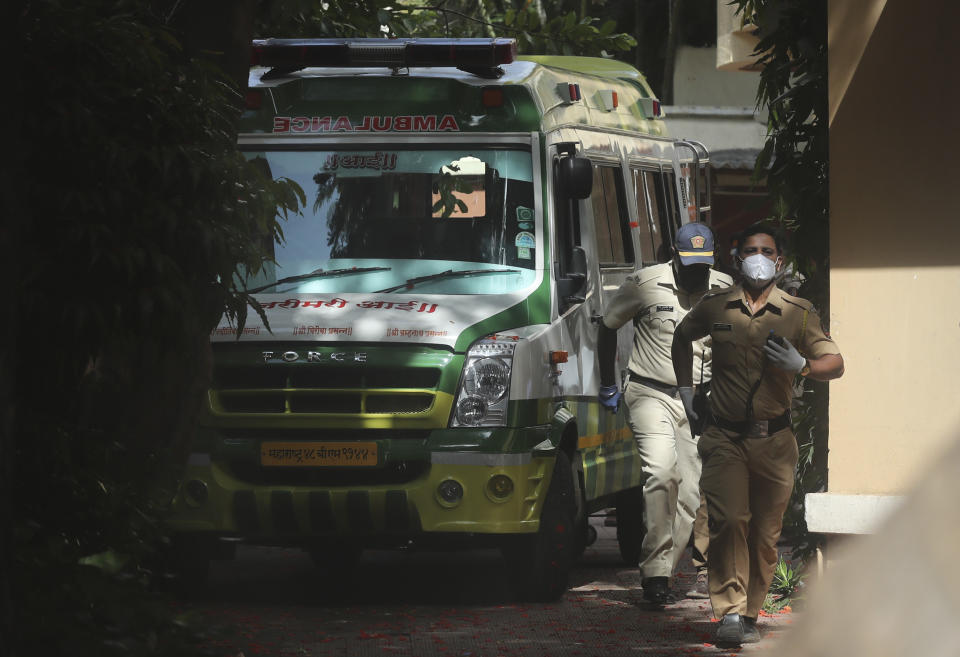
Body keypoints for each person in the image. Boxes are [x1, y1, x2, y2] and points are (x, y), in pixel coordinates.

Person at [671, 222, 844, 647]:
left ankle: (750, 613)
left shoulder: (797, 312)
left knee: (765, 536)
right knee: (729, 521)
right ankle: (729, 612)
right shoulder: (716, 306)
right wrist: (687, 394)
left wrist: (800, 364)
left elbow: (835, 364)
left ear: (779, 261)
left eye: (766, 250)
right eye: (751, 250)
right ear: (737, 258)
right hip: (725, 435)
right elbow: (681, 339)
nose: (759, 257)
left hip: (774, 440)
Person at [597, 223, 732, 606]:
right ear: (674, 255)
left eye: (703, 265)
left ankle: (665, 568)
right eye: (689, 265)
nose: (697, 273)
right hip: (650, 393)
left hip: (699, 402)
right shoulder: (644, 283)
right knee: (661, 473)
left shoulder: (723, 287)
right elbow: (607, 328)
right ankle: (655, 574)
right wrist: (608, 383)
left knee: (689, 493)